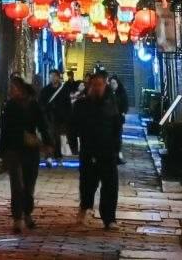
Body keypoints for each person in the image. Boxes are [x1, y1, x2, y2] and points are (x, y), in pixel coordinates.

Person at [0, 74, 51, 233]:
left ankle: (27, 213)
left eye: (13, 88)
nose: (10, 91)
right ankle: (17, 218)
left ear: (20, 89)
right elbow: (5, 129)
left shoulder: (33, 104)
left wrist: (48, 143)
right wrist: (3, 151)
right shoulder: (10, 106)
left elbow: (43, 125)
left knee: (29, 185)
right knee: (17, 185)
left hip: (30, 150)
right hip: (14, 149)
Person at [71, 68, 121, 229]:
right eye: (95, 85)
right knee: (87, 183)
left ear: (105, 85)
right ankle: (85, 207)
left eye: (101, 84)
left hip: (107, 151)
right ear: (90, 86)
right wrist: (74, 145)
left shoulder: (111, 104)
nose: (98, 88)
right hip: (88, 150)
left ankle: (109, 218)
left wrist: (117, 148)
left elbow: (117, 127)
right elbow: (73, 126)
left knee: (110, 185)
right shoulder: (81, 105)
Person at [40, 68, 75, 163]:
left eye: (54, 76)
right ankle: (52, 155)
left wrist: (68, 116)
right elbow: (41, 103)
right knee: (51, 135)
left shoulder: (64, 90)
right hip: (49, 116)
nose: (52, 78)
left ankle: (56, 155)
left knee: (56, 136)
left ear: (58, 77)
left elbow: (67, 104)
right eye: (50, 76)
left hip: (60, 117)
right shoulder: (45, 90)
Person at [109, 75, 130, 165]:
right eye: (111, 83)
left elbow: (125, 105)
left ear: (117, 84)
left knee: (118, 138)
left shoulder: (121, 93)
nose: (112, 85)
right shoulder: (108, 93)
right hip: (109, 120)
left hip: (118, 120)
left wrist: (123, 112)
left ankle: (117, 156)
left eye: (114, 83)